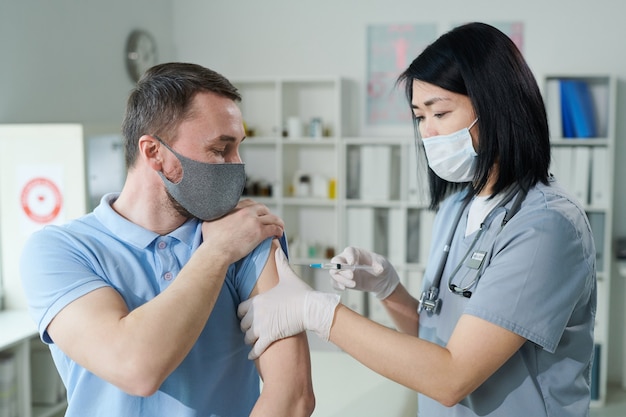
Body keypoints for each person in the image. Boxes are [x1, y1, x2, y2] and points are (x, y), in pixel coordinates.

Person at [238, 22, 596, 417]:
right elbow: (434, 340)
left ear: (496, 105)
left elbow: (451, 376)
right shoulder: (458, 207)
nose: (429, 133)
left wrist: (318, 311)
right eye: (419, 118)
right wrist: (389, 289)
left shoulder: (546, 227)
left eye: (439, 112)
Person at [20, 62, 315, 417]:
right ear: (154, 152)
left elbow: (293, 396)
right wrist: (218, 251)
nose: (237, 165)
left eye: (238, 148)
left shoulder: (249, 237)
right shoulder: (60, 251)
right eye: (221, 149)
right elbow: (135, 367)